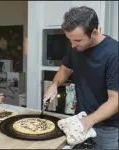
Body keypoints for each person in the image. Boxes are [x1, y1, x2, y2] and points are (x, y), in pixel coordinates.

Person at [43, 6, 118, 149]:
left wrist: (87, 122)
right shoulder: (76, 47)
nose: (72, 45)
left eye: (77, 40)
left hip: (107, 128)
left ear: (95, 31)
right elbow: (65, 69)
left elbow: (115, 101)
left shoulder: (114, 54)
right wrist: (54, 84)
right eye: (70, 40)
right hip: (79, 118)